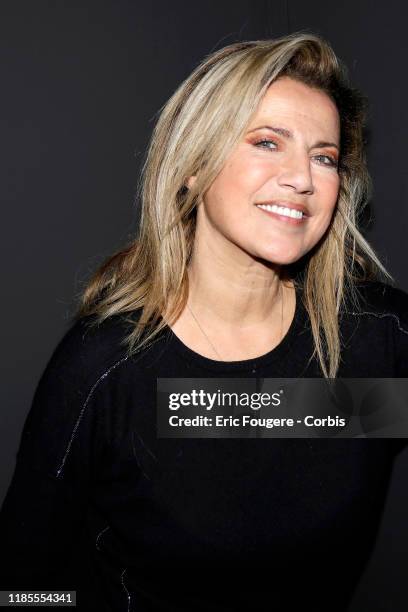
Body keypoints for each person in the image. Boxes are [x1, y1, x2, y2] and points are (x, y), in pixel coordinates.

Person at [1, 31, 408, 612]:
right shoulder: (106, 370)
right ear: (191, 167)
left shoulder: (378, 341)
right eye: (268, 142)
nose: (303, 178)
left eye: (324, 157)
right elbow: (22, 586)